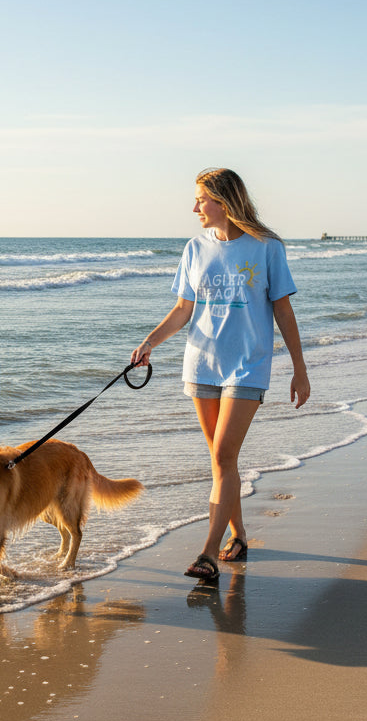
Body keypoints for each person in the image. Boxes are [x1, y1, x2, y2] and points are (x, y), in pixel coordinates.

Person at [131, 168, 310, 582]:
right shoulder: (195, 248)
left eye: (201, 199)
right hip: (202, 363)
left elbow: (283, 310)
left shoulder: (266, 248)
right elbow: (183, 310)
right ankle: (239, 535)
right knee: (220, 461)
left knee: (224, 456)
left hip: (248, 364)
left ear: (224, 201)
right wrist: (149, 343)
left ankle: (209, 553)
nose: (194, 207)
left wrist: (300, 369)